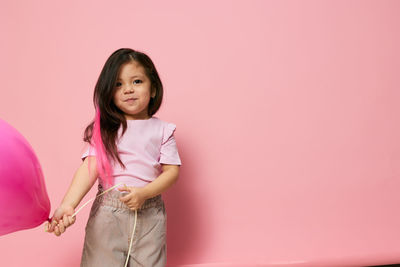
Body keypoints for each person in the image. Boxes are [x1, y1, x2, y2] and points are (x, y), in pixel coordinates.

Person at [45, 48, 182, 267]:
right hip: (108, 216)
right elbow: (90, 168)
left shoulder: (163, 130)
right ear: (109, 92)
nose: (128, 89)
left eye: (137, 81)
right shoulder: (105, 130)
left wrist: (145, 193)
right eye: (118, 84)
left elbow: (172, 173)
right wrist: (68, 205)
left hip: (149, 214)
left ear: (153, 88)